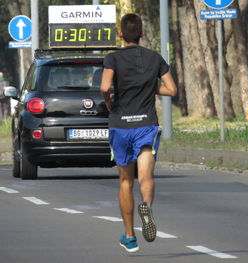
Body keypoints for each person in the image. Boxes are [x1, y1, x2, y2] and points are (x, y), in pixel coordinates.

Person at [100, 13, 177, 252]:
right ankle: (147, 205)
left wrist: (110, 102)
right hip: (146, 124)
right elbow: (171, 89)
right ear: (142, 33)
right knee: (146, 176)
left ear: (121, 34)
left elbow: (104, 86)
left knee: (125, 180)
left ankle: (130, 236)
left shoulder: (112, 58)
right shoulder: (155, 58)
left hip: (121, 125)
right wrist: (149, 86)